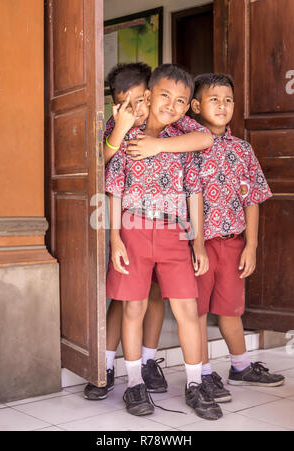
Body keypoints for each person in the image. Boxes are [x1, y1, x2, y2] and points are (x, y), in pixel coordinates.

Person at [84, 63, 214, 401]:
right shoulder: (123, 130)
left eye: (180, 101)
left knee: (185, 307)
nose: (171, 105)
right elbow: (111, 186)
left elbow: (195, 189)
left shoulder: (181, 137)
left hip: (174, 233)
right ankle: (133, 383)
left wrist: (198, 242)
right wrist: (114, 239)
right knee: (131, 307)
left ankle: (195, 384)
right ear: (149, 95)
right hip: (133, 230)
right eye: (164, 96)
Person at [188, 73, 285, 402]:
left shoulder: (242, 150)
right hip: (197, 244)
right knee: (198, 311)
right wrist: (195, 243)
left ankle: (240, 367)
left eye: (228, 100)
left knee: (231, 309)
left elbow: (252, 199)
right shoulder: (187, 146)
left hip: (232, 242)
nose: (223, 105)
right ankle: (202, 374)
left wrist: (252, 246)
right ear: (196, 105)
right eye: (214, 99)